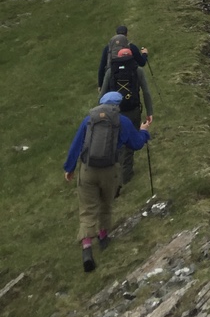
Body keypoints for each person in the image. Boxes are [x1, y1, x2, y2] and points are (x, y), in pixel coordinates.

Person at [63, 91, 151, 272]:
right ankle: (103, 238)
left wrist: (69, 168)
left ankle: (87, 248)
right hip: (109, 170)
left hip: (88, 170)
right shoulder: (122, 122)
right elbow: (136, 144)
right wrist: (144, 132)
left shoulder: (89, 120)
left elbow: (76, 144)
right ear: (117, 105)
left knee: (88, 209)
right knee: (106, 204)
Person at [100, 51, 154, 187]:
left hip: (113, 112)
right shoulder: (138, 70)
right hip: (133, 111)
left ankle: (113, 177)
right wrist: (149, 112)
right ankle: (126, 176)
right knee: (129, 144)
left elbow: (102, 94)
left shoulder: (111, 71)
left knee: (115, 142)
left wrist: (101, 113)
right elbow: (146, 92)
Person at [96, 25, 148, 89]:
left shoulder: (108, 48)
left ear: (116, 34)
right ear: (126, 34)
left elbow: (102, 68)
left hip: (113, 81)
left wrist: (100, 85)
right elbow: (142, 63)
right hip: (131, 81)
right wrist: (144, 54)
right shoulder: (131, 47)